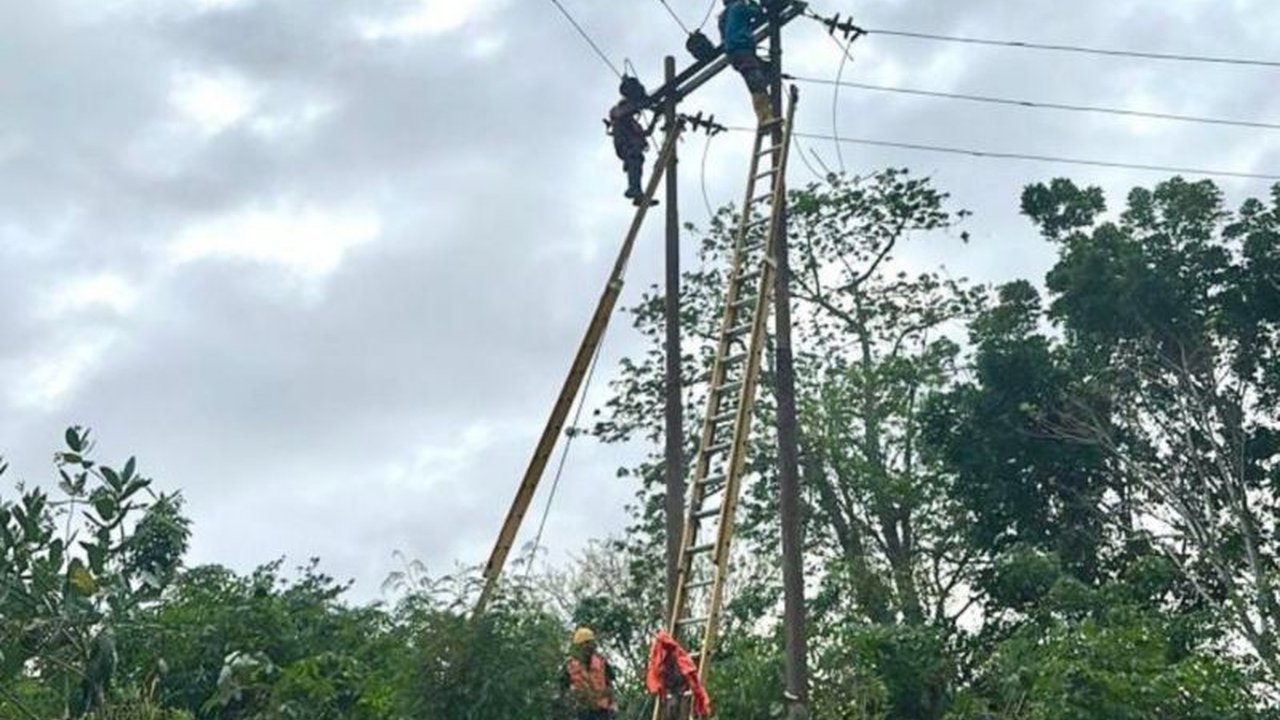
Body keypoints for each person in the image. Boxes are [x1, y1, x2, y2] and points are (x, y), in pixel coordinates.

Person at [718, 0, 773, 125]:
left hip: (734, 52)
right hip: (742, 48)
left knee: (766, 70)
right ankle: (764, 117)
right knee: (756, 80)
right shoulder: (739, 7)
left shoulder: (724, 15)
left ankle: (768, 105)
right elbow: (757, 12)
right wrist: (753, 3)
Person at [608, 77, 657, 206]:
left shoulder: (633, 123)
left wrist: (656, 118)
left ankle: (638, 194)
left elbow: (647, 133)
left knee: (637, 166)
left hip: (633, 146)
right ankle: (634, 189)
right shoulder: (617, 111)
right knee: (634, 162)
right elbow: (620, 113)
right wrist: (638, 104)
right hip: (626, 145)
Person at [561, 627, 618, 720]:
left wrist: (613, 706)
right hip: (581, 712)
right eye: (586, 644)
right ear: (579, 647)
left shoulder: (601, 662)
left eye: (591, 643)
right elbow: (562, 689)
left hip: (603, 712)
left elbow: (610, 684)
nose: (590, 647)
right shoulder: (570, 666)